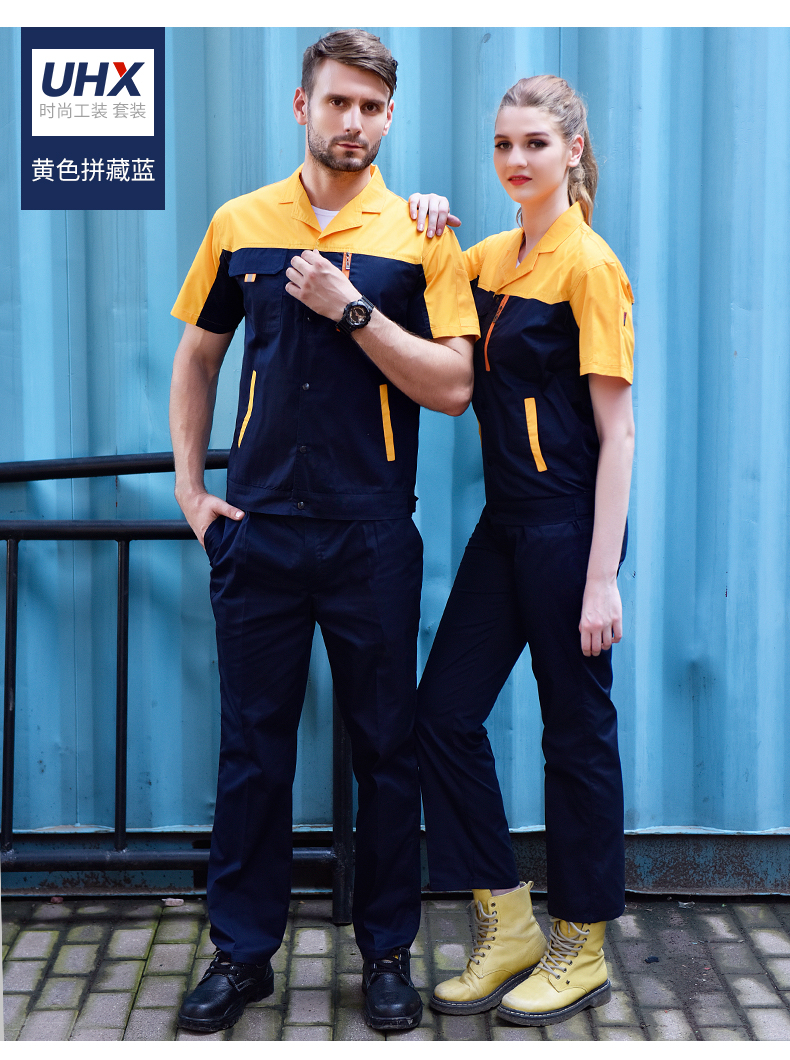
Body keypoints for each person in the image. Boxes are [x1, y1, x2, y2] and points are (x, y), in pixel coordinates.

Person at [168, 29, 478, 1034]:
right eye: (338, 101)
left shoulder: (424, 233)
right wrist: (192, 494)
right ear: (302, 106)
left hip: (371, 535)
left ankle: (385, 954)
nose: (354, 121)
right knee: (251, 752)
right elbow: (198, 358)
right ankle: (240, 956)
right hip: (258, 532)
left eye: (372, 107)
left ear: (390, 118)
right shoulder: (240, 223)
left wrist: (351, 311)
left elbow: (454, 386)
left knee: (385, 750)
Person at [408, 74, 635, 1027]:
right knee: (441, 714)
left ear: (572, 150)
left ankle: (582, 941)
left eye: (535, 143)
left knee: (574, 736)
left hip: (568, 529)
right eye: (504, 144)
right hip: (505, 525)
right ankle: (506, 921)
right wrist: (424, 214)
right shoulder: (493, 256)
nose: (516, 160)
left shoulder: (590, 265)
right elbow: (429, 282)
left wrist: (600, 578)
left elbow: (618, 433)